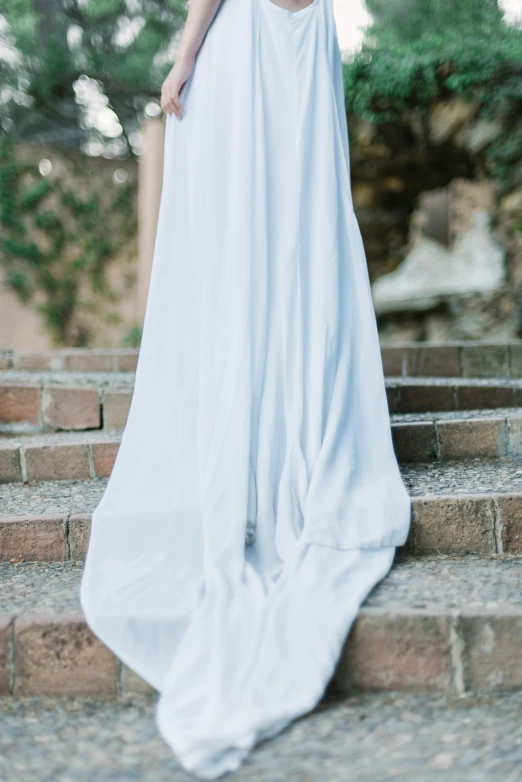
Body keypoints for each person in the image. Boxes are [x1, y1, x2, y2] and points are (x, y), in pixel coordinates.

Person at [81, 0, 411, 777]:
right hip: (301, 32)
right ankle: (283, 451)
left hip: (252, 37)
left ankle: (257, 464)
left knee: (242, 247)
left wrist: (186, 51)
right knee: (296, 238)